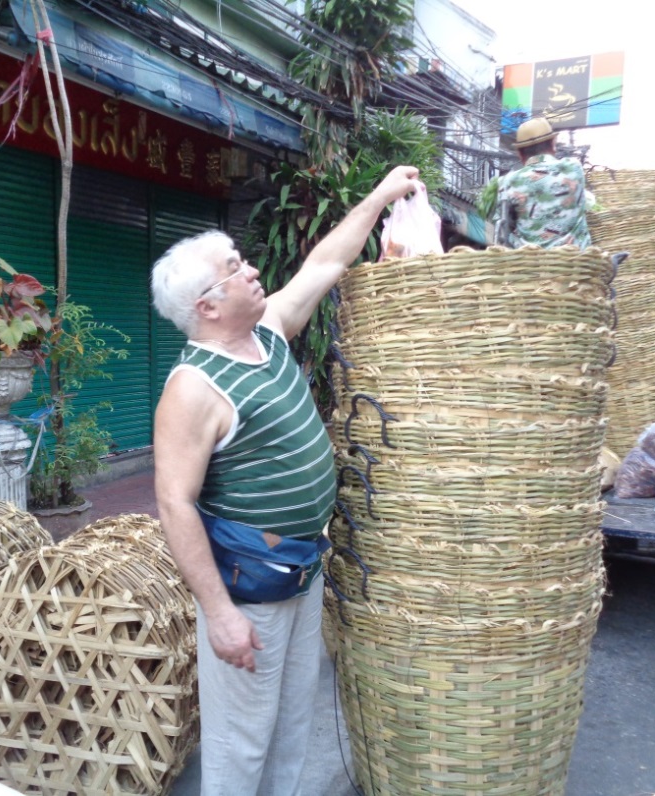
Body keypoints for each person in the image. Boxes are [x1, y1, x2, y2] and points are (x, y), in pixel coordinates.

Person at [150, 165, 421, 795]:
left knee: (291, 725)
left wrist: (380, 196)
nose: (251, 270)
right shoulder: (193, 388)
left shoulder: (267, 332)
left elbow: (327, 261)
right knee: (241, 739)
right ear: (207, 305)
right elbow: (174, 502)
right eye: (235, 267)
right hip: (250, 587)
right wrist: (219, 615)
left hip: (302, 568)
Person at [494, 116, 592, 249]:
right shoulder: (573, 168)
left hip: (528, 263)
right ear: (553, 144)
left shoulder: (508, 182)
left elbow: (503, 225)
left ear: (520, 153)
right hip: (576, 261)